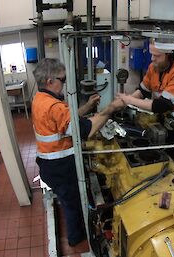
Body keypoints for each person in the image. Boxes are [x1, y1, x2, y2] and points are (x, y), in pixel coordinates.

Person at [32, 58, 123, 246]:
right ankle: (76, 238)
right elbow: (85, 130)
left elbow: (66, 122)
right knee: (71, 204)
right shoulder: (54, 106)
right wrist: (110, 109)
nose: (65, 84)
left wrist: (88, 106)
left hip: (49, 165)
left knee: (69, 201)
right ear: (50, 81)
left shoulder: (40, 99)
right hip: (61, 169)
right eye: (63, 80)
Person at [116, 38, 174, 137]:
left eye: (157, 56)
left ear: (170, 56)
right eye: (151, 54)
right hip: (165, 119)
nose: (152, 59)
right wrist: (125, 102)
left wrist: (129, 100)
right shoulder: (154, 67)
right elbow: (143, 91)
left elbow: (161, 105)